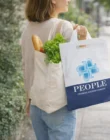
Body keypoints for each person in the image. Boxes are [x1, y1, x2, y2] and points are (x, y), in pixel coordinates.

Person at [20, 0, 88, 140]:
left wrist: (28, 99)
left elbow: (27, 67)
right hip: (59, 106)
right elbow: (82, 63)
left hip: (35, 104)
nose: (69, 0)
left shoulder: (28, 30)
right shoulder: (63, 27)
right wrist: (82, 37)